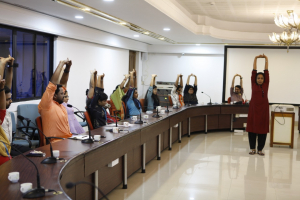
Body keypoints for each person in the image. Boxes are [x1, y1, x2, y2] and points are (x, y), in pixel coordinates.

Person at [0, 55, 31, 156]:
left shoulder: (7, 112)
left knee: (31, 152)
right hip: (3, 149)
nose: (11, 101)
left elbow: (7, 86)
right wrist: (2, 64)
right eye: (7, 99)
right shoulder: (1, 112)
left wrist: (10, 67)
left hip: (10, 144)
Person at [38, 59, 73, 142]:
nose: (64, 95)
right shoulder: (47, 104)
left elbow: (63, 84)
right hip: (55, 143)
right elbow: (52, 85)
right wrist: (61, 64)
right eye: (62, 93)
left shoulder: (60, 105)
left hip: (67, 139)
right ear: (54, 95)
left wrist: (68, 68)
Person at [246, 54, 269, 156]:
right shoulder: (253, 84)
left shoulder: (265, 85)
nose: (260, 79)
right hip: (253, 109)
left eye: (261, 78)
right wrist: (255, 59)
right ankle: (252, 148)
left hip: (264, 109)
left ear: (264, 80)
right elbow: (254, 71)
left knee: (262, 129)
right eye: (258, 78)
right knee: (252, 128)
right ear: (255, 79)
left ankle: (260, 149)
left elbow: (266, 72)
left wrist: (266, 59)